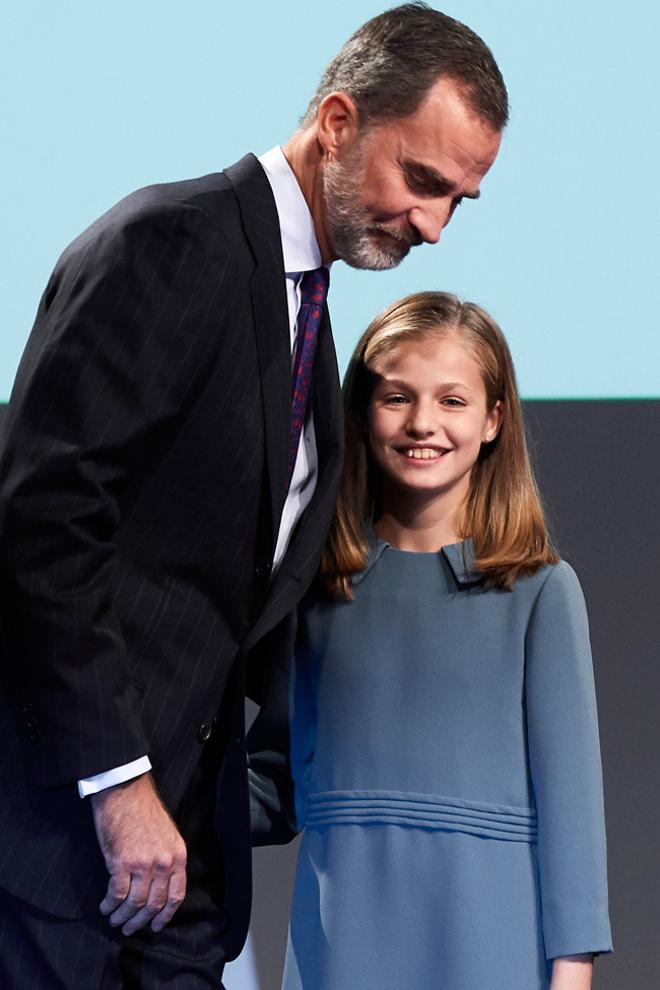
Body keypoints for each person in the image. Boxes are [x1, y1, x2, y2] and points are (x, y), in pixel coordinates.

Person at [0, 5, 507, 988]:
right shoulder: (169, 244)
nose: (437, 227)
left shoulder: (312, 336)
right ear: (338, 123)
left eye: (462, 202)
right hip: (61, 855)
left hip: (182, 879)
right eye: (423, 181)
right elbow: (42, 527)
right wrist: (119, 785)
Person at [248, 292, 613, 990]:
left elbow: (572, 813)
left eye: (452, 401)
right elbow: (277, 780)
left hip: (490, 947)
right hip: (340, 947)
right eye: (397, 397)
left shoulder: (539, 591)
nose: (423, 423)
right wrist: (134, 789)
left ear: (493, 420)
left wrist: (572, 973)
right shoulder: (317, 590)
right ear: (359, 412)